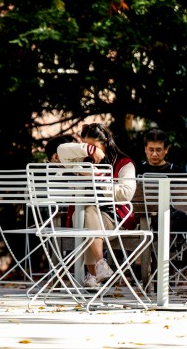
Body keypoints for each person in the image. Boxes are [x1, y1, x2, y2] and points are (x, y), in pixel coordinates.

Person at [57, 122, 137, 289]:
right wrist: (89, 150)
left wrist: (99, 180)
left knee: (86, 214)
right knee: (87, 210)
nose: (90, 150)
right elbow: (61, 151)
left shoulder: (124, 163)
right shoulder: (82, 160)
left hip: (114, 218)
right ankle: (100, 266)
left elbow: (126, 194)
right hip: (84, 216)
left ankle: (93, 273)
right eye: (86, 145)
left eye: (93, 146)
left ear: (105, 142)